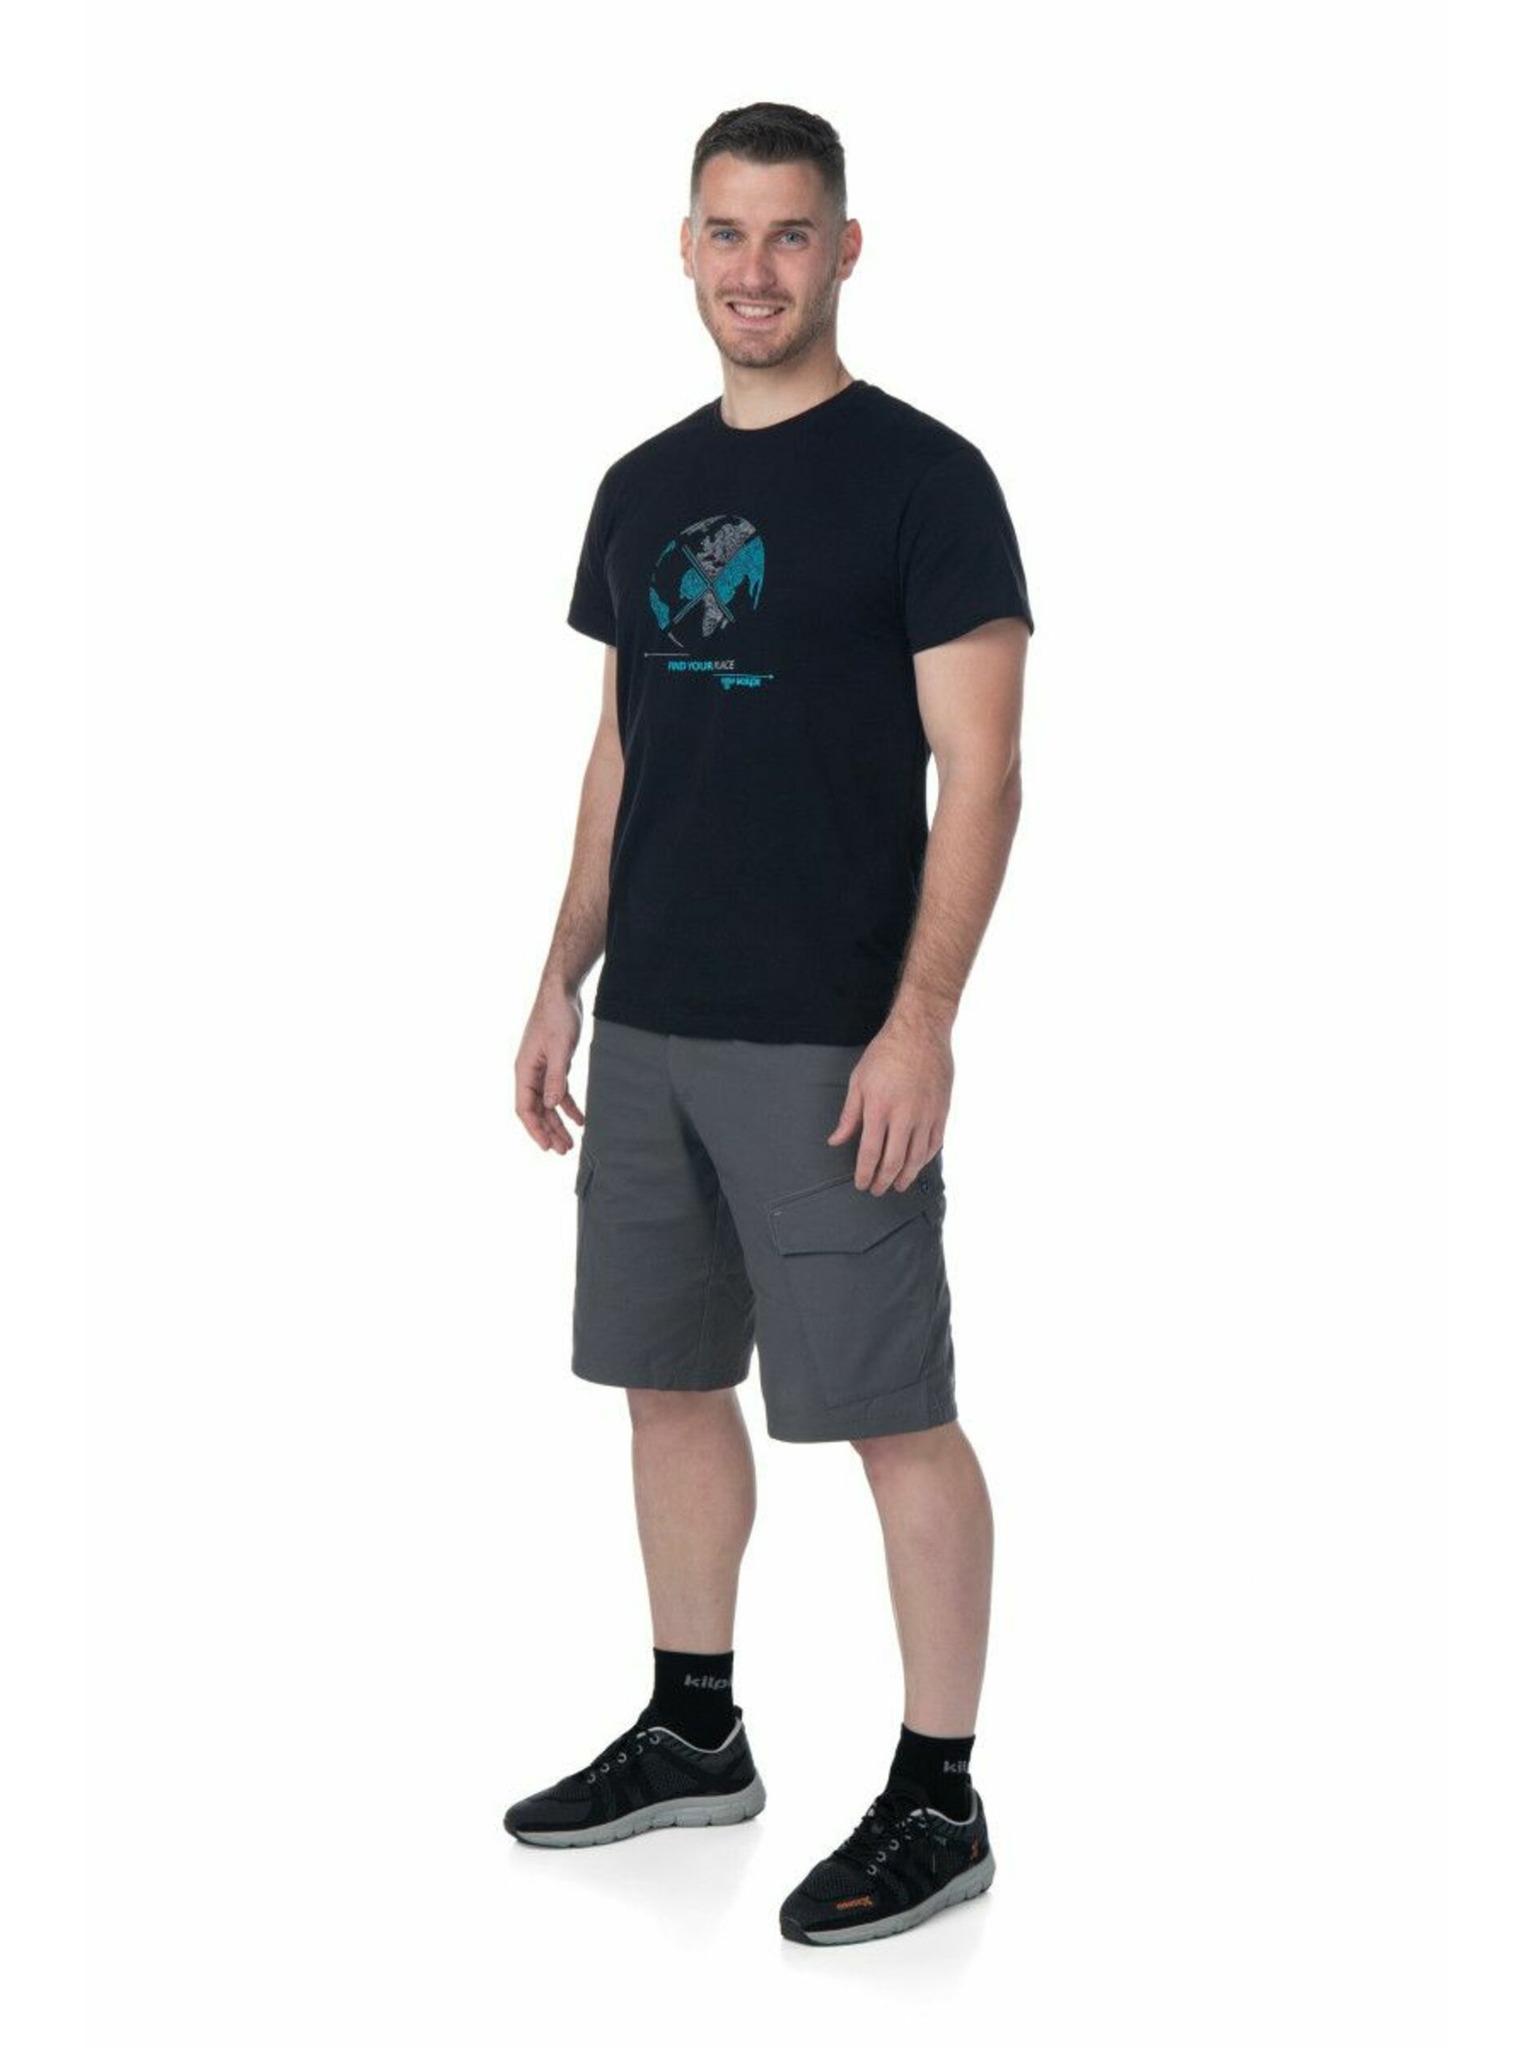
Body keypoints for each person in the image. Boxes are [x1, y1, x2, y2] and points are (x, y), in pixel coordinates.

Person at [502, 101, 1034, 1947]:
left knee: (893, 1416)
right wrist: (563, 974)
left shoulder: (925, 481)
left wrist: (922, 1023)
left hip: (830, 1038)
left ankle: (940, 1796)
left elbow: (984, 774)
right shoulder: (641, 484)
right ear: (685, 247)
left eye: (790, 234)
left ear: (845, 249)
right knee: (665, 1385)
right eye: (726, 233)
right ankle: (694, 1729)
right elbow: (622, 751)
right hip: (653, 1021)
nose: (756, 269)